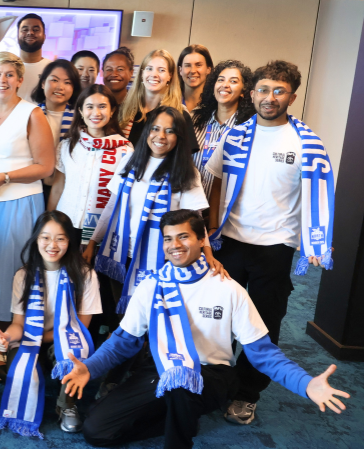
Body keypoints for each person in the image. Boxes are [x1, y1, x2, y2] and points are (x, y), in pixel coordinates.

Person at [64, 210, 349, 449]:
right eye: (168, 239)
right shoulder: (152, 285)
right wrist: (89, 368)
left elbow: (263, 353)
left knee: (181, 384)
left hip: (212, 374)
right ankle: (182, 418)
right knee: (98, 431)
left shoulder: (228, 288)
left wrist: (306, 384)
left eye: (183, 237)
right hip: (161, 368)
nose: (174, 245)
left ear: (202, 240)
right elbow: (123, 342)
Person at [206, 60, 335, 426]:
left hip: (275, 249)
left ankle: (247, 394)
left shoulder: (306, 144)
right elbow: (214, 184)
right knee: (219, 318)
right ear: (252, 94)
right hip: (229, 243)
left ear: (292, 97)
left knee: (262, 324)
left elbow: (318, 194)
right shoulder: (236, 135)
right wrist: (212, 232)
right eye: (263, 90)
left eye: (279, 91)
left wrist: (319, 239)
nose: (270, 97)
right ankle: (214, 381)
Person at [87, 106, 220, 369]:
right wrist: (92, 242)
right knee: (123, 318)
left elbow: (194, 219)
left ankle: (143, 374)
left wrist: (209, 255)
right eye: (156, 128)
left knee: (151, 318)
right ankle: (117, 372)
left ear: (179, 137)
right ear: (147, 131)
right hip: (120, 254)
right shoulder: (130, 161)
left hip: (158, 260)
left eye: (170, 131)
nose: (161, 136)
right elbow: (112, 206)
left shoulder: (186, 172)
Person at [0, 51, 55, 381]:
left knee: (7, 275)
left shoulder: (32, 114)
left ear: (20, 79)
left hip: (17, 202)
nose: (2, 80)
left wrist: (5, 177)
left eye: (9, 75)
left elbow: (45, 167)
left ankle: (4, 344)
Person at [0, 211, 102, 436]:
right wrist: (6, 337)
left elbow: (82, 327)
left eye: (60, 238)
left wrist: (38, 338)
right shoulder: (23, 276)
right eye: (45, 237)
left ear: (70, 241)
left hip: (63, 340)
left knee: (76, 349)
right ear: (36, 240)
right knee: (21, 372)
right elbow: (18, 325)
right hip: (28, 339)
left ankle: (67, 405)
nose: (52, 245)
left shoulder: (86, 275)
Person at [48, 85, 132, 247]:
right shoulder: (67, 146)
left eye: (102, 106)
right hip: (65, 224)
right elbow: (58, 187)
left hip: (101, 231)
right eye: (90, 107)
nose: (96, 113)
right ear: (80, 111)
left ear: (112, 110)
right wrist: (49, 221)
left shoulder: (124, 150)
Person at [191, 60, 255, 199]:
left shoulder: (249, 128)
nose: (225, 85)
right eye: (220, 80)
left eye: (233, 81)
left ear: (243, 91)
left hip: (224, 208)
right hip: (189, 207)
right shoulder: (195, 119)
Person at [117, 50, 199, 153]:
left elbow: (184, 161)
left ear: (170, 76)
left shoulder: (180, 116)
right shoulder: (123, 111)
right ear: (142, 73)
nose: (154, 74)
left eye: (161, 70)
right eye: (149, 68)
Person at [32, 58, 81, 152]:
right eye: (54, 80)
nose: (60, 87)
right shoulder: (31, 115)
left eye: (67, 82)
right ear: (43, 83)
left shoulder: (79, 118)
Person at [15, 13, 51, 101]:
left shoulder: (52, 68)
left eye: (36, 29)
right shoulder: (8, 67)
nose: (30, 33)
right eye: (25, 29)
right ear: (17, 36)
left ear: (44, 36)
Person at [178, 44, 213, 113]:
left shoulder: (215, 105)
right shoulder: (169, 103)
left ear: (208, 69)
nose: (192, 71)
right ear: (180, 70)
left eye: (198, 65)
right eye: (187, 65)